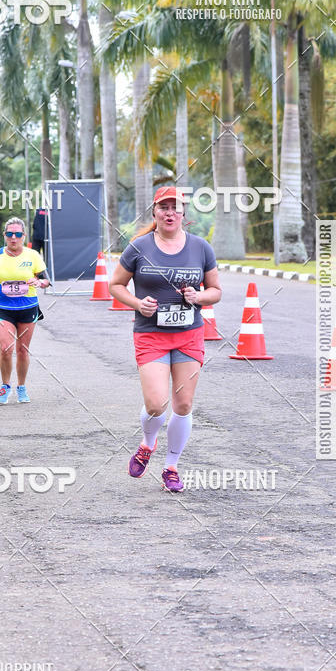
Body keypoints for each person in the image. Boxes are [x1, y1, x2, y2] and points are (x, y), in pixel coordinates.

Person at [109, 186, 222, 493]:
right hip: (151, 334)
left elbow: (216, 291)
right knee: (157, 404)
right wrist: (137, 303)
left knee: (183, 404)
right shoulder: (139, 247)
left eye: (175, 207)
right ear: (155, 213)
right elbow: (115, 285)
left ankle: (171, 466)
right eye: (163, 207)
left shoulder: (201, 247)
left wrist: (198, 296)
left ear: (183, 213)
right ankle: (148, 444)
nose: (169, 212)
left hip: (188, 335)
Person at [0, 216, 51, 404]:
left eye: (18, 234)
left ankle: (21, 387)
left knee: (22, 350)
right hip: (4, 308)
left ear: (23, 236)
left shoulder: (32, 256)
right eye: (10, 234)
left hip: (28, 308)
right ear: (4, 235)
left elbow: (46, 280)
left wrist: (39, 282)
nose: (13, 238)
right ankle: (5, 386)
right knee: (6, 348)